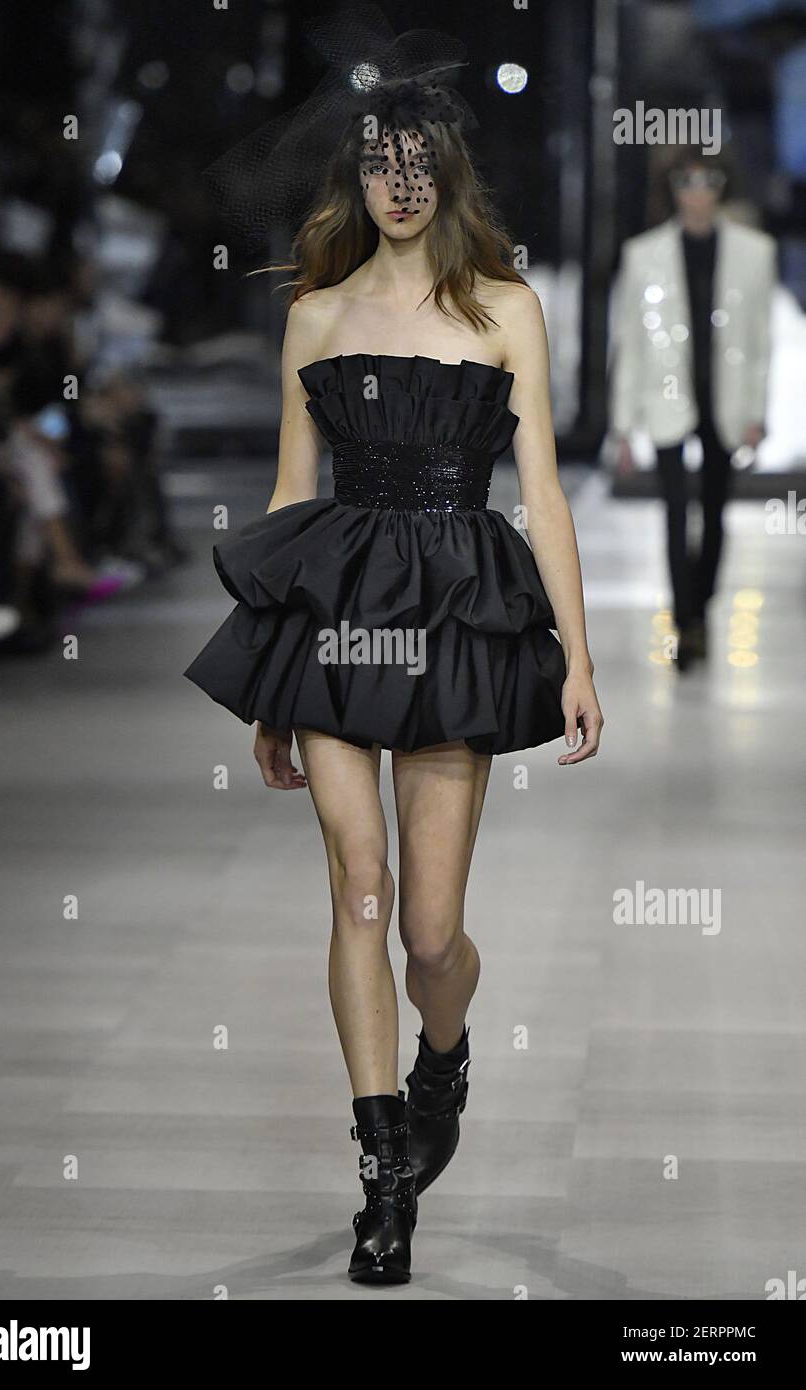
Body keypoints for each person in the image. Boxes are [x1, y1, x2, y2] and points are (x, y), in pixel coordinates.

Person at [185, 7, 602, 1284]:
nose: (402, 185)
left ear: (448, 175)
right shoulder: (315, 317)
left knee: (429, 931)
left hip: (458, 618)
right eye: (380, 164)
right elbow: (287, 500)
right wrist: (268, 668)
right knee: (356, 885)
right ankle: (383, 1181)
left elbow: (541, 492)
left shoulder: (505, 311)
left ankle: (447, 1056)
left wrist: (577, 659)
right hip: (331, 618)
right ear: (359, 176)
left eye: (421, 165)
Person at [611, 148, 775, 670]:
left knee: (717, 516)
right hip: (666, 399)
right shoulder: (643, 254)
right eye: (687, 181)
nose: (698, 193)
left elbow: (759, 341)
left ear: (722, 187)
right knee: (676, 516)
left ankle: (700, 609)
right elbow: (631, 341)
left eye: (708, 181)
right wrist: (621, 426)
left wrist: (756, 412)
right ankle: (688, 622)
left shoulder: (755, 252)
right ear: (674, 188)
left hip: (725, 403)